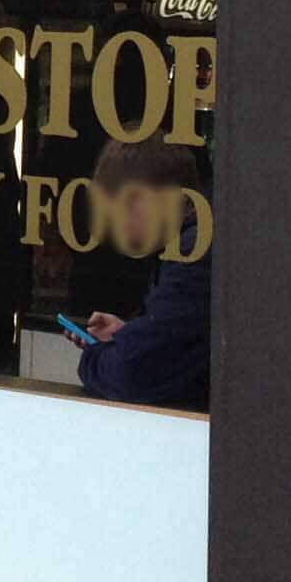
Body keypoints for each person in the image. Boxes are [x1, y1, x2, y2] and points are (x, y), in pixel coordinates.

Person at [76, 136, 210, 412]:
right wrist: (129, 334)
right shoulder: (189, 247)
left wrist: (96, 354)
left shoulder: (193, 254)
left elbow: (131, 374)